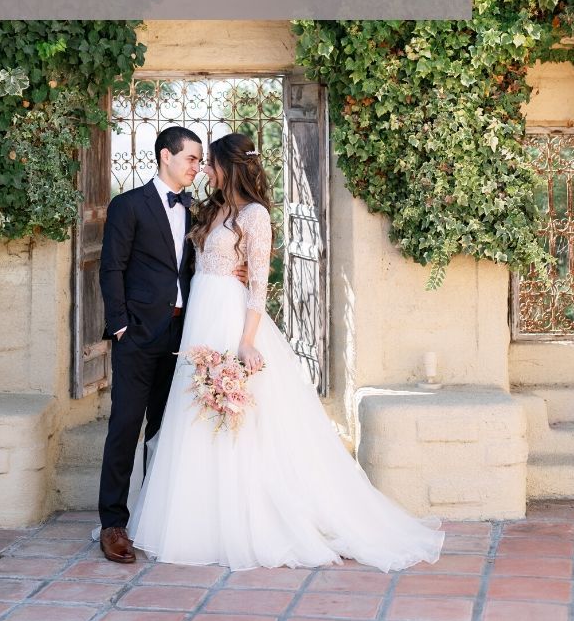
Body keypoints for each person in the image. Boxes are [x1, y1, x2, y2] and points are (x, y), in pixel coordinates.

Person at [127, 131, 445, 571]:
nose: (204, 170)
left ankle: (242, 522)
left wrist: (246, 340)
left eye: (210, 162)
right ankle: (199, 519)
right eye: (199, 161)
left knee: (235, 420)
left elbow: (259, 284)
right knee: (194, 415)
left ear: (228, 167)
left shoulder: (255, 215)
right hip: (199, 318)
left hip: (229, 319)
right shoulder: (215, 209)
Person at [97, 125, 247, 564]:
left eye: (201, 161)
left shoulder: (199, 210)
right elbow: (111, 268)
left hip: (186, 338)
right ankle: (113, 523)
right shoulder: (128, 206)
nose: (198, 167)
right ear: (166, 156)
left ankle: (150, 516)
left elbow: (214, 259)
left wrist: (235, 274)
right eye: (191, 159)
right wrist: (120, 326)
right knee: (126, 426)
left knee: (168, 431)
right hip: (138, 335)